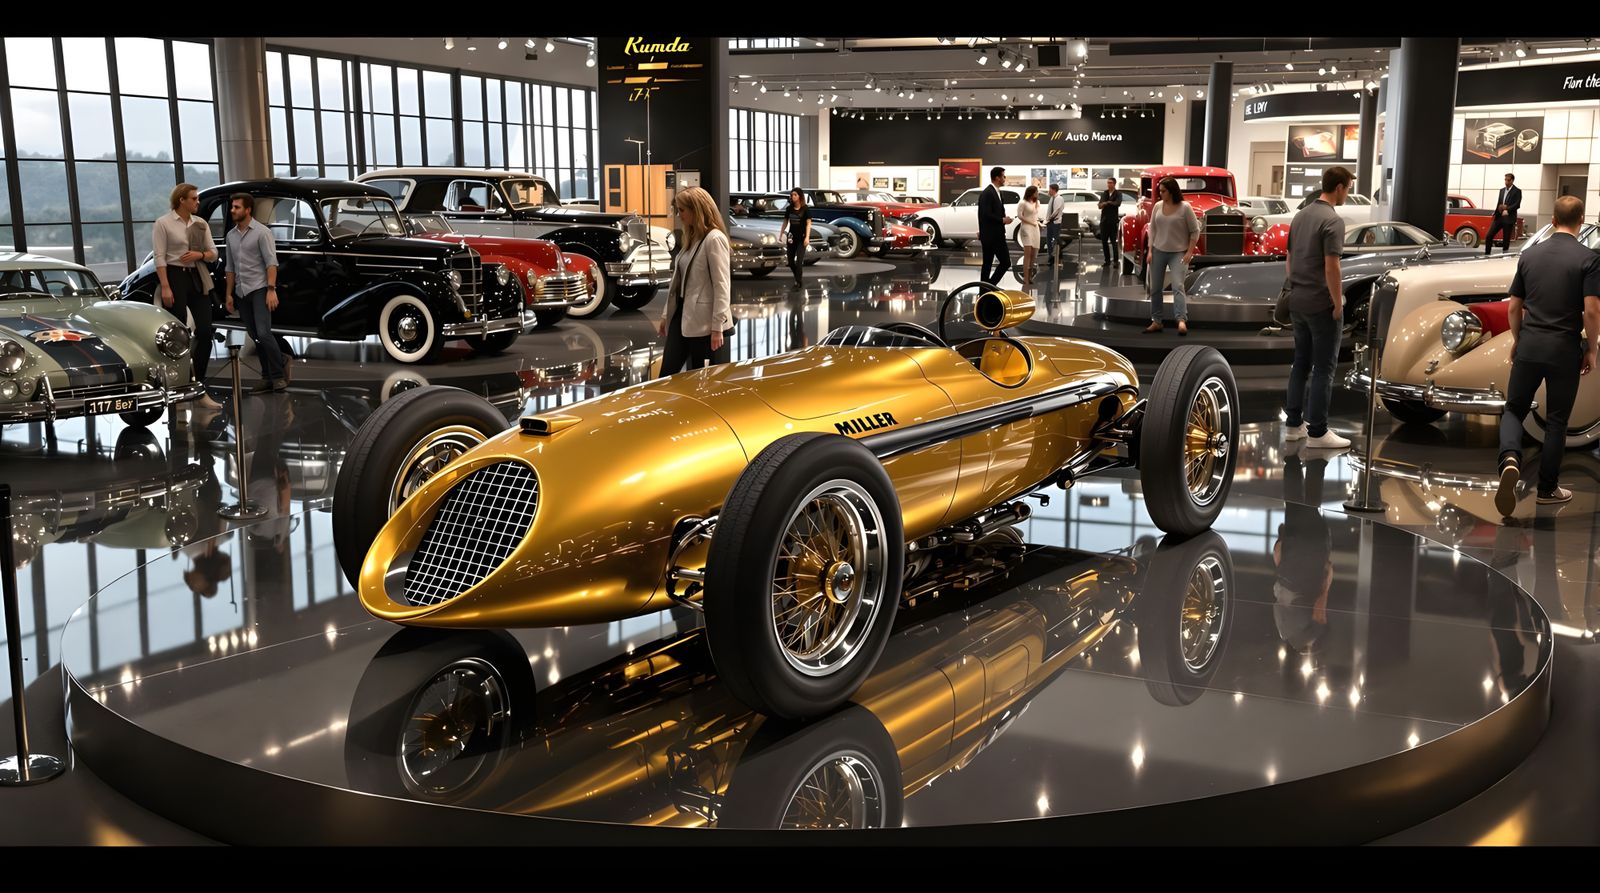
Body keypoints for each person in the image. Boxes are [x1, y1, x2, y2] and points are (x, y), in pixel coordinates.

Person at [1494, 194, 1600, 515]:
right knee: (1556, 420)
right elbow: (1592, 311)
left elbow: (1514, 307)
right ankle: (1547, 489)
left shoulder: (1529, 255)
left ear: (1552, 220)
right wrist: (1592, 349)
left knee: (1514, 409)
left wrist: (1518, 339)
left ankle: (1510, 458)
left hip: (1530, 344)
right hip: (1564, 348)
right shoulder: (1589, 259)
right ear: (1581, 221)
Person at [1282, 166, 1354, 449]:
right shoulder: (1332, 221)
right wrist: (1338, 303)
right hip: (1320, 304)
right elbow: (1332, 266)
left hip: (1297, 300)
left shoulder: (1301, 215)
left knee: (1300, 363)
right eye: (1347, 187)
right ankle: (1318, 431)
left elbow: (1289, 258)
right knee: (1324, 367)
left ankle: (1293, 425)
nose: (1347, 192)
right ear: (1338, 188)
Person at [153, 182, 222, 409]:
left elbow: (213, 254)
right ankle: (176, 386)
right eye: (194, 199)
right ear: (181, 200)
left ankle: (198, 385)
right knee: (178, 334)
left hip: (197, 275)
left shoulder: (200, 224)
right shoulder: (163, 223)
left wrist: (198, 254)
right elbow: (160, 257)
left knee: (204, 329)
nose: (198, 202)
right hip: (174, 277)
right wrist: (165, 286)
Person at [656, 186, 733, 377]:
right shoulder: (692, 237)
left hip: (704, 322)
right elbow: (678, 283)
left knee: (698, 378)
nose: (679, 215)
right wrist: (667, 315)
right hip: (682, 315)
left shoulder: (714, 239)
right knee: (668, 374)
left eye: (682, 210)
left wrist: (717, 327)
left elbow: (722, 285)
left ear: (696, 210)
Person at [223, 193, 285, 393]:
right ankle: (266, 376)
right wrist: (229, 294)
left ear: (248, 210)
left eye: (237, 207)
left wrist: (271, 290)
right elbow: (230, 268)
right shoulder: (230, 236)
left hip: (259, 289)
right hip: (241, 292)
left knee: (264, 333)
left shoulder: (262, 232)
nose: (233, 210)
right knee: (254, 335)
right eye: (232, 207)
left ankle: (278, 374)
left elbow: (271, 263)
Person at [1143, 176, 1199, 336]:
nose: (1160, 194)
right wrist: (1150, 250)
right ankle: (1156, 321)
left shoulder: (1185, 208)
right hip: (1158, 250)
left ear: (1172, 191)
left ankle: (1181, 320)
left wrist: (1189, 252)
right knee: (1155, 288)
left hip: (1178, 252)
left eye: (1163, 191)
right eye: (1159, 191)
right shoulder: (1157, 206)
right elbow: (1152, 229)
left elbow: (1194, 231)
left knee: (1178, 286)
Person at [978, 166, 1013, 284]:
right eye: (1003, 176)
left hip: (995, 234)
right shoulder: (988, 193)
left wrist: (1003, 219)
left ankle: (986, 288)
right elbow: (985, 214)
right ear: (997, 178)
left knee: (989, 264)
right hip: (992, 236)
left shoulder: (997, 193)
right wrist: (1002, 220)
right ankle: (988, 287)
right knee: (1003, 262)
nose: (1005, 178)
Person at [777, 187, 811, 287]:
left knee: (799, 261)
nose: (793, 196)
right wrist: (781, 234)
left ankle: (798, 281)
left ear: (800, 196)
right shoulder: (789, 209)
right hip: (791, 237)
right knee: (791, 262)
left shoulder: (805, 209)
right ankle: (797, 276)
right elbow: (785, 221)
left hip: (802, 237)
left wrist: (807, 237)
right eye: (792, 195)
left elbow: (808, 223)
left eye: (795, 195)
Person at [1485, 172, 1522, 256]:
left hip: (1509, 218)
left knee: (1506, 239)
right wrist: (1495, 212)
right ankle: (1487, 254)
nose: (1506, 182)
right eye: (1505, 180)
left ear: (1512, 180)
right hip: (1499, 217)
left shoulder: (1517, 191)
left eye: (1508, 180)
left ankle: (1504, 257)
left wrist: (1507, 210)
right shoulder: (1502, 190)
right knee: (1489, 235)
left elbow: (1517, 204)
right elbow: (1499, 202)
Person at [1017, 185, 1041, 288]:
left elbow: (1035, 217)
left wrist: (1038, 223)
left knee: (1034, 254)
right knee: (1028, 252)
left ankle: (1030, 276)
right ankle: (1025, 278)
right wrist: (1031, 222)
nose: (1037, 193)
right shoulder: (1023, 203)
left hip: (1035, 228)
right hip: (1026, 228)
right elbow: (1020, 216)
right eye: (1036, 192)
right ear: (1031, 192)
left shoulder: (1037, 203)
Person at [1097, 178, 1122, 265]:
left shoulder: (1118, 193)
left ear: (1114, 184)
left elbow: (1118, 203)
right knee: (1104, 242)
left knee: (1113, 242)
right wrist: (1104, 204)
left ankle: (1115, 261)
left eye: (1111, 183)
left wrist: (1107, 203)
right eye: (1108, 183)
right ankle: (1107, 260)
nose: (1109, 184)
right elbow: (1100, 205)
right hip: (1104, 221)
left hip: (1113, 221)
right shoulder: (1104, 193)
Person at [1043, 183, 1065, 267]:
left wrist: (1049, 219)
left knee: (1056, 240)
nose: (1048, 191)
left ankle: (1057, 255)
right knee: (1049, 239)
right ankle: (1051, 256)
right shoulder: (1052, 198)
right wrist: (1047, 220)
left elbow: (1056, 211)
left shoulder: (1059, 198)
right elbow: (1050, 210)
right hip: (1050, 222)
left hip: (1055, 222)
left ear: (1053, 190)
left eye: (1049, 189)